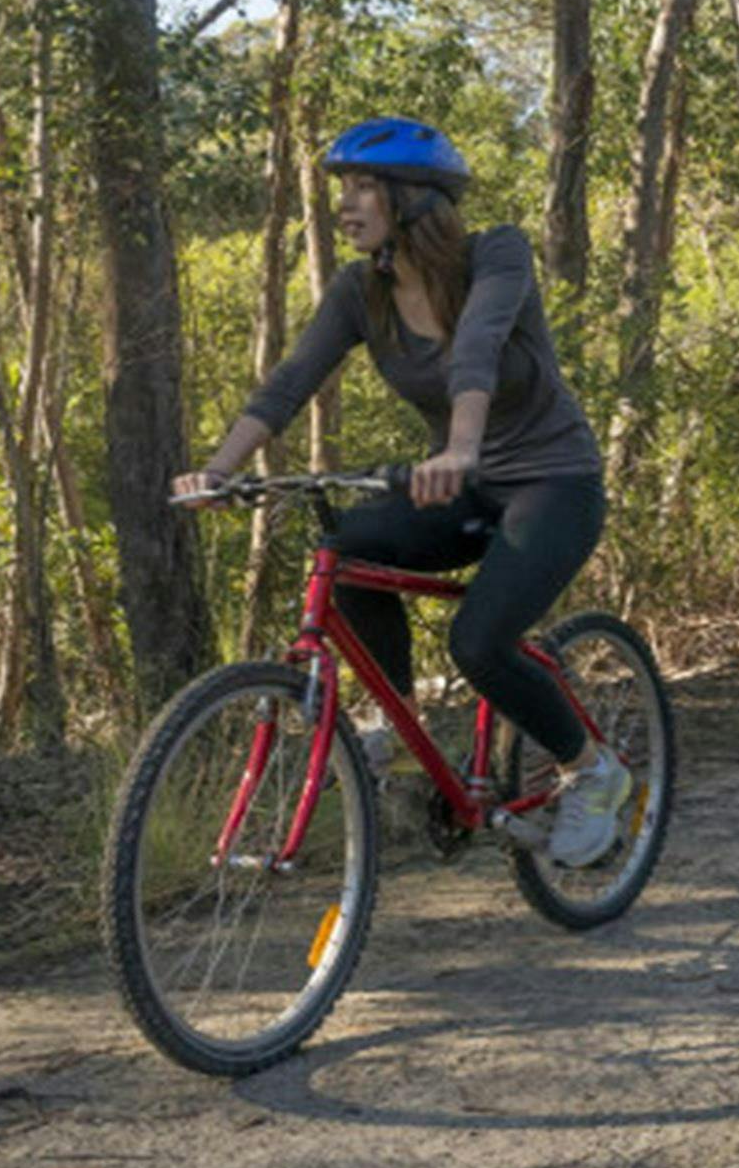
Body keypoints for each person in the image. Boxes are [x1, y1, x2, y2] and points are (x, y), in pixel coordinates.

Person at [172, 117, 627, 867]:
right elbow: (290, 383)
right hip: (466, 484)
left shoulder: (497, 254)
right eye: (343, 189)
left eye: (363, 188)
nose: (344, 205)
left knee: (478, 641)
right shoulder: (361, 292)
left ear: (416, 199)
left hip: (553, 482)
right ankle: (404, 733)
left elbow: (477, 347)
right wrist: (218, 470)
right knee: (348, 547)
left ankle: (592, 769)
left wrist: (459, 447)